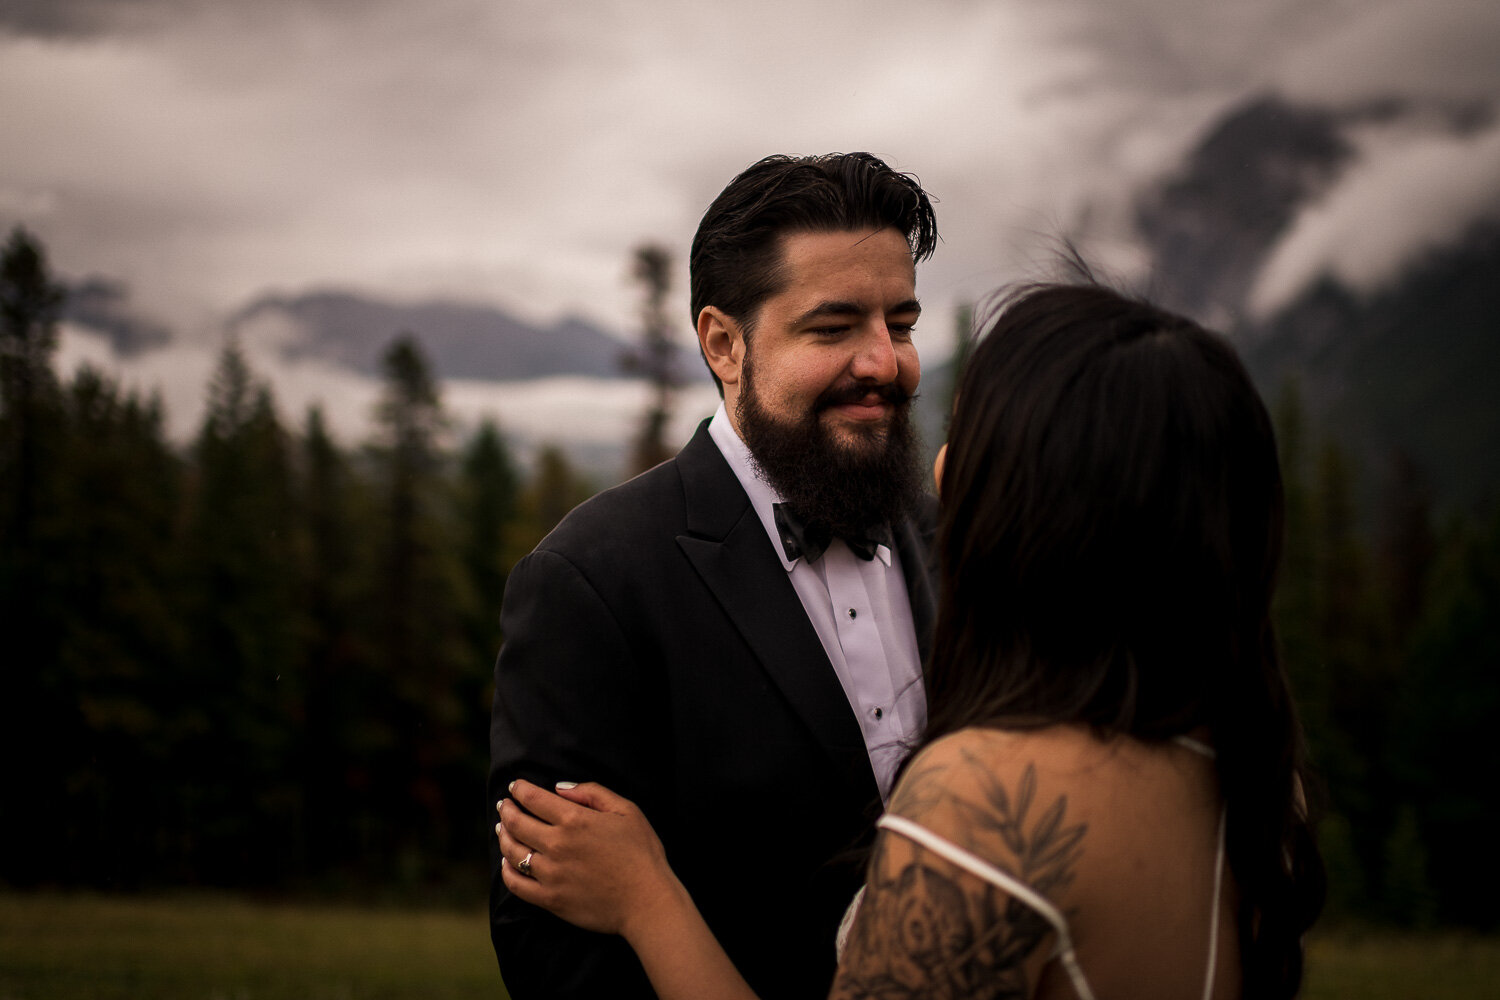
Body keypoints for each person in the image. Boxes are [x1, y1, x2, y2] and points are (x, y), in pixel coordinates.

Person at [495, 283, 1327, 1000]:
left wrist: (648, 901)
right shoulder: (1259, 774)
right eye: (832, 327)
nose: (935, 467)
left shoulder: (986, 811)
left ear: (1044, 509)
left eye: (975, 444)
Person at [488, 152, 942, 1000]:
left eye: (902, 324)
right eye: (834, 328)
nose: (884, 362)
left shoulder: (946, 538)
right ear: (724, 344)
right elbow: (554, 952)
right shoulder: (588, 582)